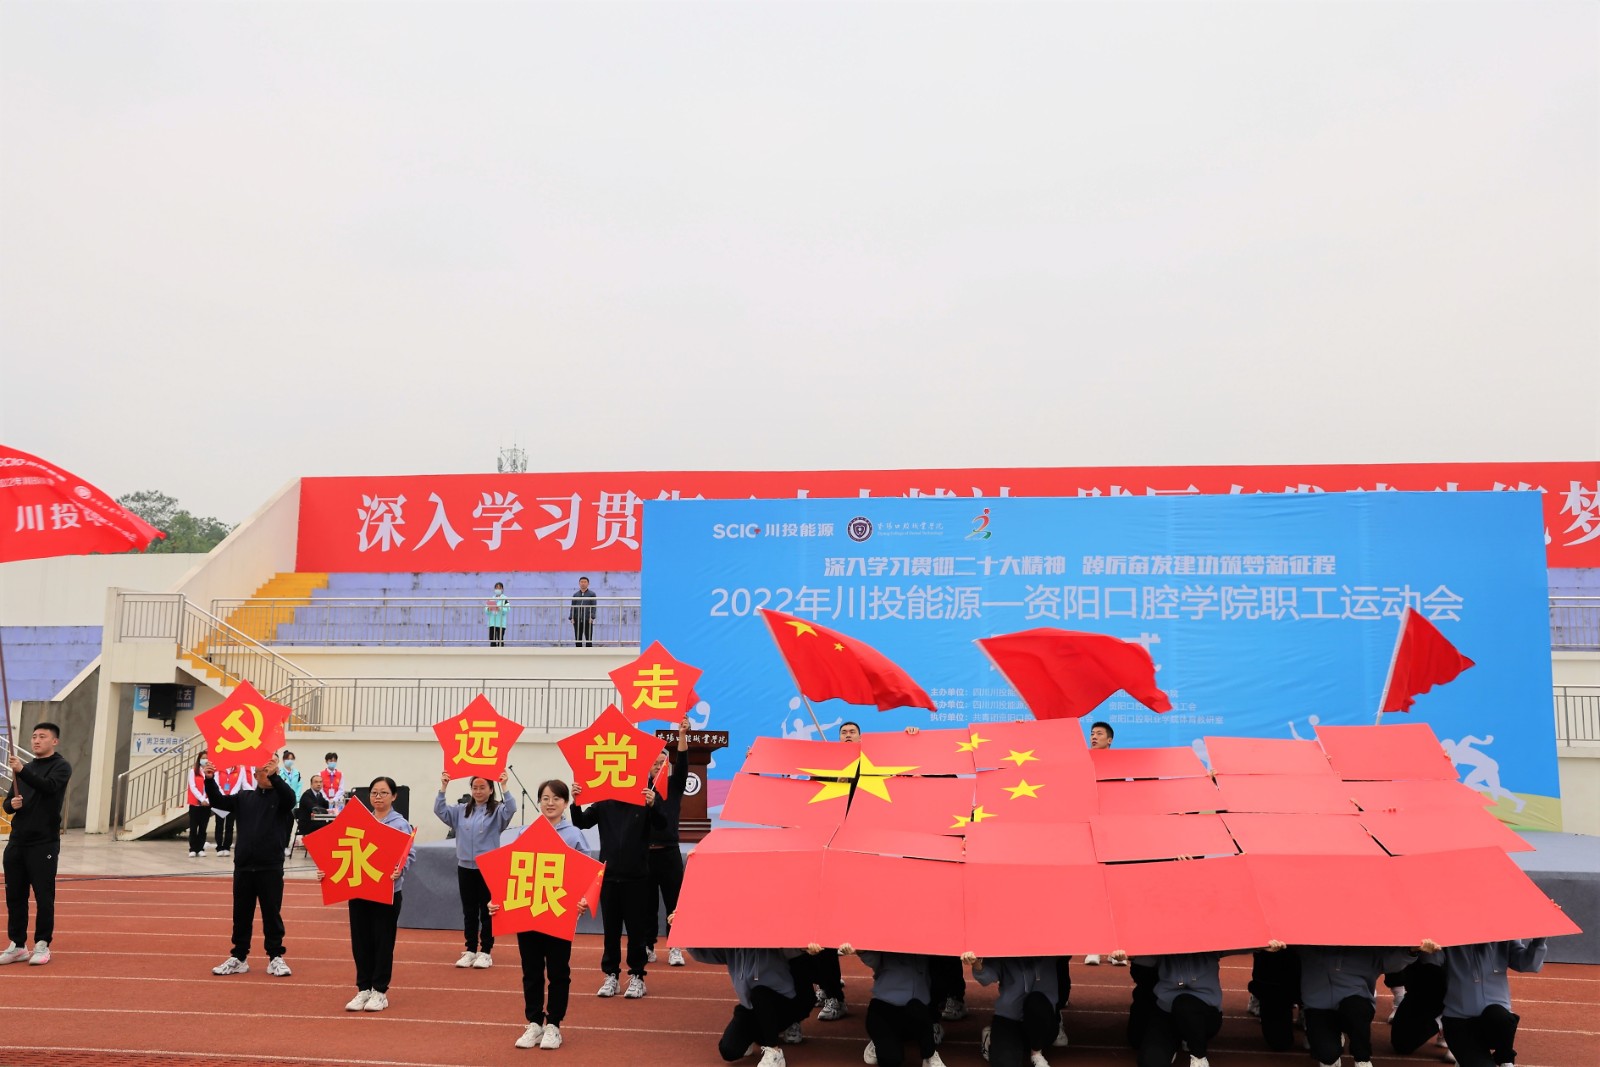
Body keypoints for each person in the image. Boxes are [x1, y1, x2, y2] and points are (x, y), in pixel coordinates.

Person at [504, 779, 593, 1050]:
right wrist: (499, 901)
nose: (550, 803)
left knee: (558, 971)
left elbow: (589, 872)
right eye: (545, 798)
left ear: (565, 803)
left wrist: (583, 899)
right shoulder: (526, 832)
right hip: (528, 911)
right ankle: (534, 1022)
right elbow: (511, 870)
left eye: (556, 798)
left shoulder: (574, 835)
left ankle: (554, 1024)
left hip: (559, 911)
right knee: (531, 970)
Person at [570, 772, 666, 998]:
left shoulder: (644, 799)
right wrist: (576, 801)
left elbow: (662, 825)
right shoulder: (604, 802)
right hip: (609, 877)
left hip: (637, 877)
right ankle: (611, 975)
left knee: (636, 931)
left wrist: (654, 805)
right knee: (611, 931)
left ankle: (637, 976)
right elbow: (581, 822)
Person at [206, 756, 295, 979]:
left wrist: (276, 776)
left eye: (272, 770)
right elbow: (218, 801)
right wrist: (209, 779)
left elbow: (291, 799)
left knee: (271, 913)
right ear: (255, 776)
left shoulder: (281, 798)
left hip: (270, 866)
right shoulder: (244, 797)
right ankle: (239, 957)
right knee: (241, 914)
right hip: (244, 867)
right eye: (265, 771)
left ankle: (275, 956)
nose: (269, 773)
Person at [332, 776, 416, 1012]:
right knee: (360, 942)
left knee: (382, 942)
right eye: (374, 793)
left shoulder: (400, 824)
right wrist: (327, 870)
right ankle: (363, 988)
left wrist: (400, 870)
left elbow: (409, 854)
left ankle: (379, 991)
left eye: (383, 793)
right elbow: (341, 848)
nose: (378, 797)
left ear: (394, 796)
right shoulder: (359, 821)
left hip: (386, 892)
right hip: (359, 889)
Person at [1277, 941, 1417, 1067]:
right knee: (1327, 1054)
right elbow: (1287, 943)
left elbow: (1390, 962)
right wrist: (1273, 944)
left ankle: (1362, 1059)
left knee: (1357, 1009)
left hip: (1355, 1001)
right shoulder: (1309, 945)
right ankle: (1331, 1043)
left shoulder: (1367, 947)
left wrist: (1411, 951)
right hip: (1318, 1007)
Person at [0, 722, 72, 967]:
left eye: (42, 736)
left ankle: (42, 944)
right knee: (15, 896)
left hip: (43, 843)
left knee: (43, 896)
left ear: (54, 741)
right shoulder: (25, 769)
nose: (36, 740)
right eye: (33, 737)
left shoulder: (61, 766)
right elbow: (8, 802)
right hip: (17, 841)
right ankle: (18, 945)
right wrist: (11, 805)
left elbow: (49, 787)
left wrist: (22, 770)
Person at [434, 768, 516, 968]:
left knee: (487, 911)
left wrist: (504, 785)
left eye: (482, 787)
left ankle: (486, 951)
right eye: (475, 787)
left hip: (488, 867)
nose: (478, 791)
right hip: (465, 867)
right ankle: (470, 949)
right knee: (469, 911)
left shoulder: (497, 811)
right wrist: (443, 787)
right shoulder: (461, 810)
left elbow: (511, 808)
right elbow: (440, 810)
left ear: (490, 790)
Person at [691, 938, 811, 1067]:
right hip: (751, 1006)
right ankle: (757, 1035)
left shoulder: (770, 941)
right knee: (728, 1051)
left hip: (783, 1004)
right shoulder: (732, 947)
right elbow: (703, 953)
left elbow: (789, 949)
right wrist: (686, 936)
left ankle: (775, 1051)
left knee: (759, 993)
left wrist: (805, 948)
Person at [1432, 937, 1548, 1067]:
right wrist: (1428, 948)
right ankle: (1466, 1056)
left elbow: (1528, 964)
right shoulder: (1448, 939)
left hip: (1494, 1020)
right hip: (1459, 1022)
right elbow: (1433, 962)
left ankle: (1505, 1058)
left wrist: (1539, 942)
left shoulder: (1505, 937)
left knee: (1500, 1016)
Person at [1109, 949, 1226, 1067]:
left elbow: (1235, 945)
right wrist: (1129, 954)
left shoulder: (1211, 947)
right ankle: (1174, 1044)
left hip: (1203, 1014)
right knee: (1150, 1061)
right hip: (1167, 1011)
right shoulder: (1163, 947)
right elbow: (1144, 961)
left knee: (1184, 1005)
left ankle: (1199, 1056)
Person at [840, 943, 943, 1067]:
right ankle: (878, 1041)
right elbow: (873, 960)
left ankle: (930, 1054)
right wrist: (861, 950)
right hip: (884, 1007)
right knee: (891, 1060)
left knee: (917, 1009)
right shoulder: (885, 946)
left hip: (916, 1008)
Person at [646, 720, 691, 969]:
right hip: (646, 854)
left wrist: (682, 735)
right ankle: (648, 945)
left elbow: (683, 763)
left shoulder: (675, 785)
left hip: (670, 853)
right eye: (654, 763)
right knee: (647, 903)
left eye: (662, 762)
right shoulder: (642, 790)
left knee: (674, 901)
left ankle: (675, 946)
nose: (658, 766)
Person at [967, 952, 1056, 1067]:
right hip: (1010, 1017)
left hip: (1041, 1019)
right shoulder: (1003, 949)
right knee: (1004, 1063)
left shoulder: (1051, 952)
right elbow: (987, 978)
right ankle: (993, 1036)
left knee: (1037, 1001)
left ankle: (1036, 1053)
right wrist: (976, 964)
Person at [212, 762, 245, 855]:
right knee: (219, 824)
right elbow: (216, 783)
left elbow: (238, 783)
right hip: (220, 799)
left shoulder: (240, 769)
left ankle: (227, 847)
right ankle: (219, 847)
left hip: (232, 800)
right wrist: (222, 795)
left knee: (230, 825)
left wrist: (230, 796)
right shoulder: (218, 769)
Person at [186, 755, 213, 858]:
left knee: (203, 828)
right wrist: (202, 799)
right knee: (193, 828)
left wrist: (207, 800)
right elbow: (193, 787)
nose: (205, 759)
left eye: (207, 757)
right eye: (203, 758)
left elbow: (213, 786)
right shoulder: (193, 771)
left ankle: (200, 848)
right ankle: (193, 849)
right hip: (195, 804)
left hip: (207, 804)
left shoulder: (211, 772)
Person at [296, 772, 331, 840]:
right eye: (316, 782)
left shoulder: (319, 794)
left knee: (333, 823)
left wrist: (336, 805)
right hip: (307, 823)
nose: (319, 784)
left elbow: (326, 804)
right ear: (311, 784)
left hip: (316, 821)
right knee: (329, 826)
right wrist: (327, 811)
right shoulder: (307, 795)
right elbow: (315, 808)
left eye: (320, 782)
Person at [569, 576, 597, 646]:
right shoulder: (575, 595)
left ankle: (589, 651)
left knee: (588, 638)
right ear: (579, 583)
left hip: (587, 619)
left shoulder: (592, 594)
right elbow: (572, 607)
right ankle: (578, 652)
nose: (583, 583)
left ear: (588, 584)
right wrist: (571, 617)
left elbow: (593, 606)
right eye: (581, 582)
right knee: (578, 638)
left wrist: (592, 617)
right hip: (577, 619)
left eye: (585, 582)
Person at [486, 581, 509, 647]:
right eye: (496, 588)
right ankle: (492, 652)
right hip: (492, 623)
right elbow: (486, 611)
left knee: (500, 639)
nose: (497, 589)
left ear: (502, 589)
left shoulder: (505, 599)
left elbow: (507, 609)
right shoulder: (491, 599)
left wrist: (500, 608)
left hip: (500, 623)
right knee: (492, 640)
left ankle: (501, 652)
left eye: (499, 588)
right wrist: (489, 609)